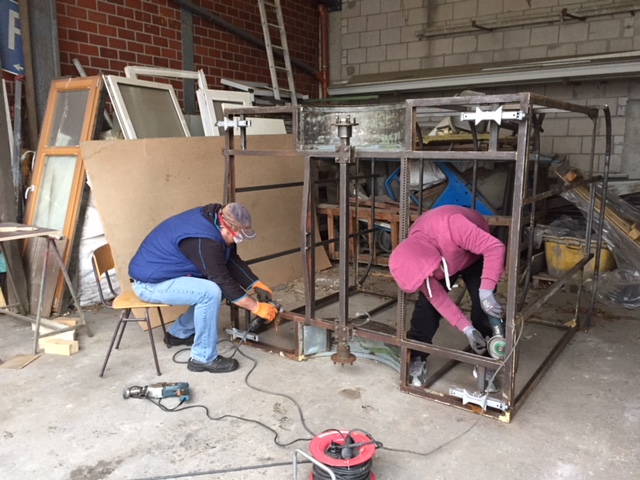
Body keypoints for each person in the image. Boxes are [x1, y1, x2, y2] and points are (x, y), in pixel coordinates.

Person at [128, 202, 278, 374]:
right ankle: (202, 358)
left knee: (220, 289)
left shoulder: (215, 222)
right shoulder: (204, 239)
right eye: (236, 237)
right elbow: (221, 277)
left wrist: (255, 283)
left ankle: (178, 334)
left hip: (166, 274)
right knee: (210, 291)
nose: (236, 241)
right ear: (225, 227)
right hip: (150, 284)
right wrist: (256, 307)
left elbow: (229, 258)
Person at [389, 205, 506, 390]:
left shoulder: (453, 226)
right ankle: (418, 354)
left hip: (473, 254)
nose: (430, 278)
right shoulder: (416, 256)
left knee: (483, 305)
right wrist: (467, 329)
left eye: (429, 274)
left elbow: (495, 247)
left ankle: (486, 360)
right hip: (441, 261)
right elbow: (437, 298)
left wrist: (486, 290)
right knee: (426, 308)